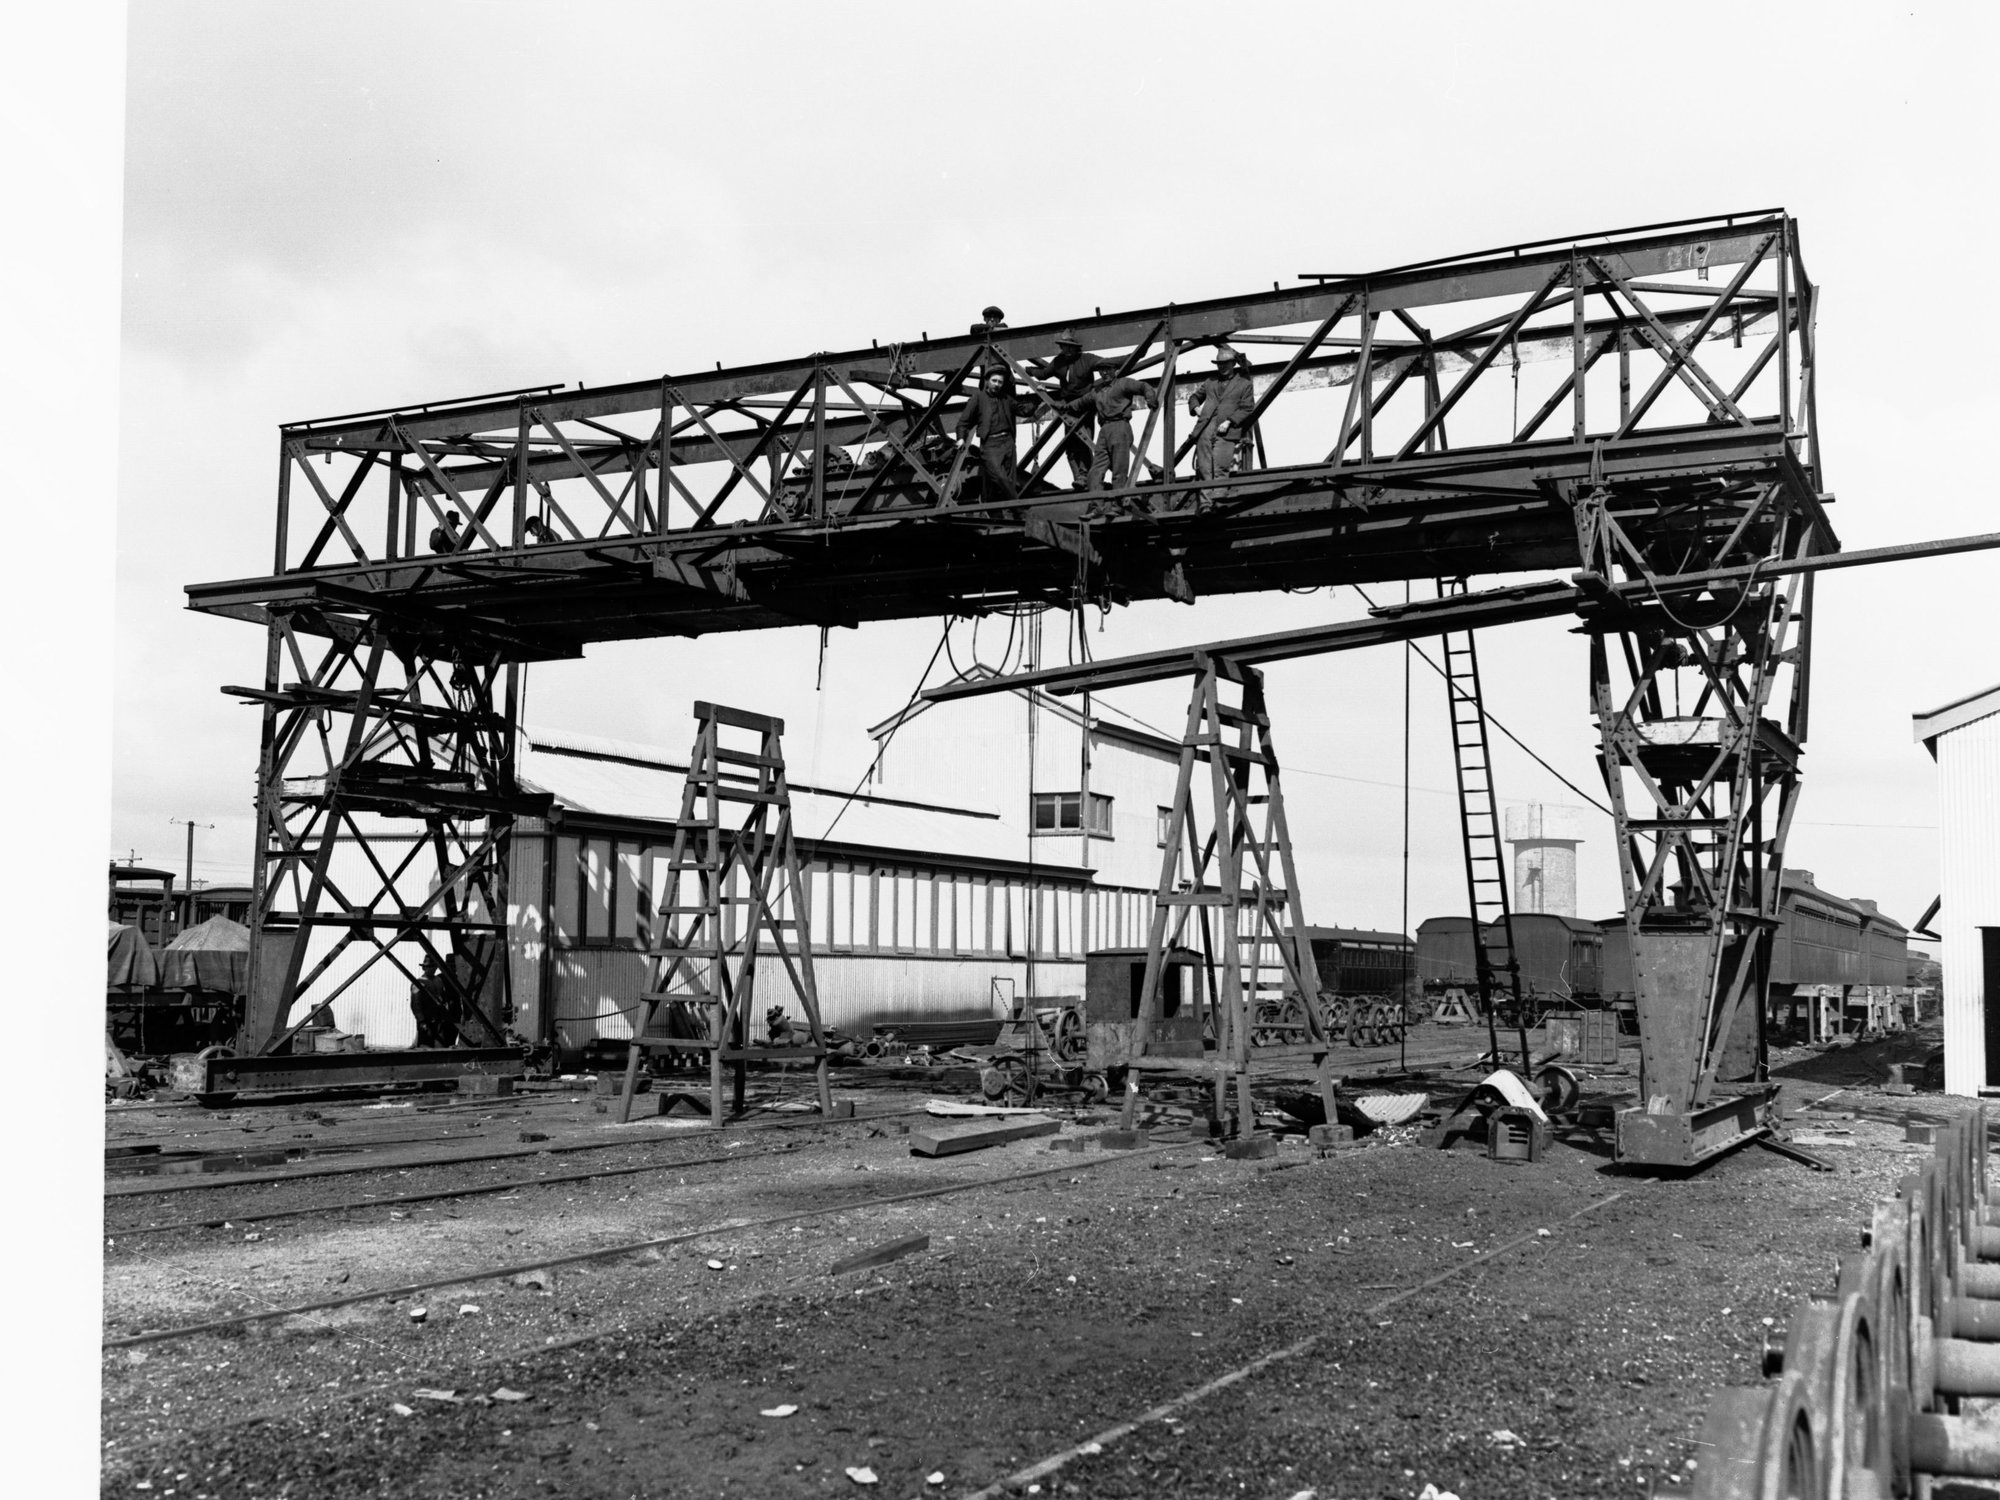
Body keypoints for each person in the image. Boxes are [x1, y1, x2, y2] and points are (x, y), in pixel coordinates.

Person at [1035, 329, 1107, 489]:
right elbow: (1044, 373)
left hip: (1085, 406)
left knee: (1085, 440)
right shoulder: (1059, 361)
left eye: (1069, 347)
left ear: (1076, 348)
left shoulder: (1087, 359)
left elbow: (1107, 363)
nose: (1066, 350)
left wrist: (1133, 357)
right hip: (1067, 407)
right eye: (1063, 347)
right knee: (1070, 445)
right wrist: (1026, 371)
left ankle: (1085, 476)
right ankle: (1079, 478)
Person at [954, 367, 1025, 501]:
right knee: (999, 476)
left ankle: (1008, 510)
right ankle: (1019, 507)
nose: (997, 384)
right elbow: (963, 421)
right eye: (994, 381)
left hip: (1008, 443)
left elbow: (1023, 410)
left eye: (1000, 382)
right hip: (990, 445)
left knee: (1009, 480)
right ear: (987, 381)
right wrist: (961, 439)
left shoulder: (1006, 398)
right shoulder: (978, 398)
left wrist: (1039, 395)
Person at [1190, 345, 1256, 489]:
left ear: (1233, 364)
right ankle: (1206, 506)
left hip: (1226, 431)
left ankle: (1218, 501)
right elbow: (1194, 397)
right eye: (1220, 364)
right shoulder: (1210, 382)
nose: (1222, 367)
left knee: (1220, 468)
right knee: (1204, 470)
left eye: (1225, 363)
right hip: (1205, 430)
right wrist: (1196, 408)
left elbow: (1247, 408)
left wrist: (1229, 421)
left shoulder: (1244, 384)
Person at [1085, 363, 1155, 492]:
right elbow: (1081, 402)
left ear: (1114, 371)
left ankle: (1118, 507)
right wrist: (1062, 406)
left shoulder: (1123, 383)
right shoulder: (1097, 391)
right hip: (1104, 430)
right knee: (1094, 472)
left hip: (1120, 427)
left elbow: (1144, 386)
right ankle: (1097, 506)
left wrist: (1150, 398)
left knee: (1119, 471)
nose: (1104, 373)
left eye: (1107, 369)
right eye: (1101, 370)